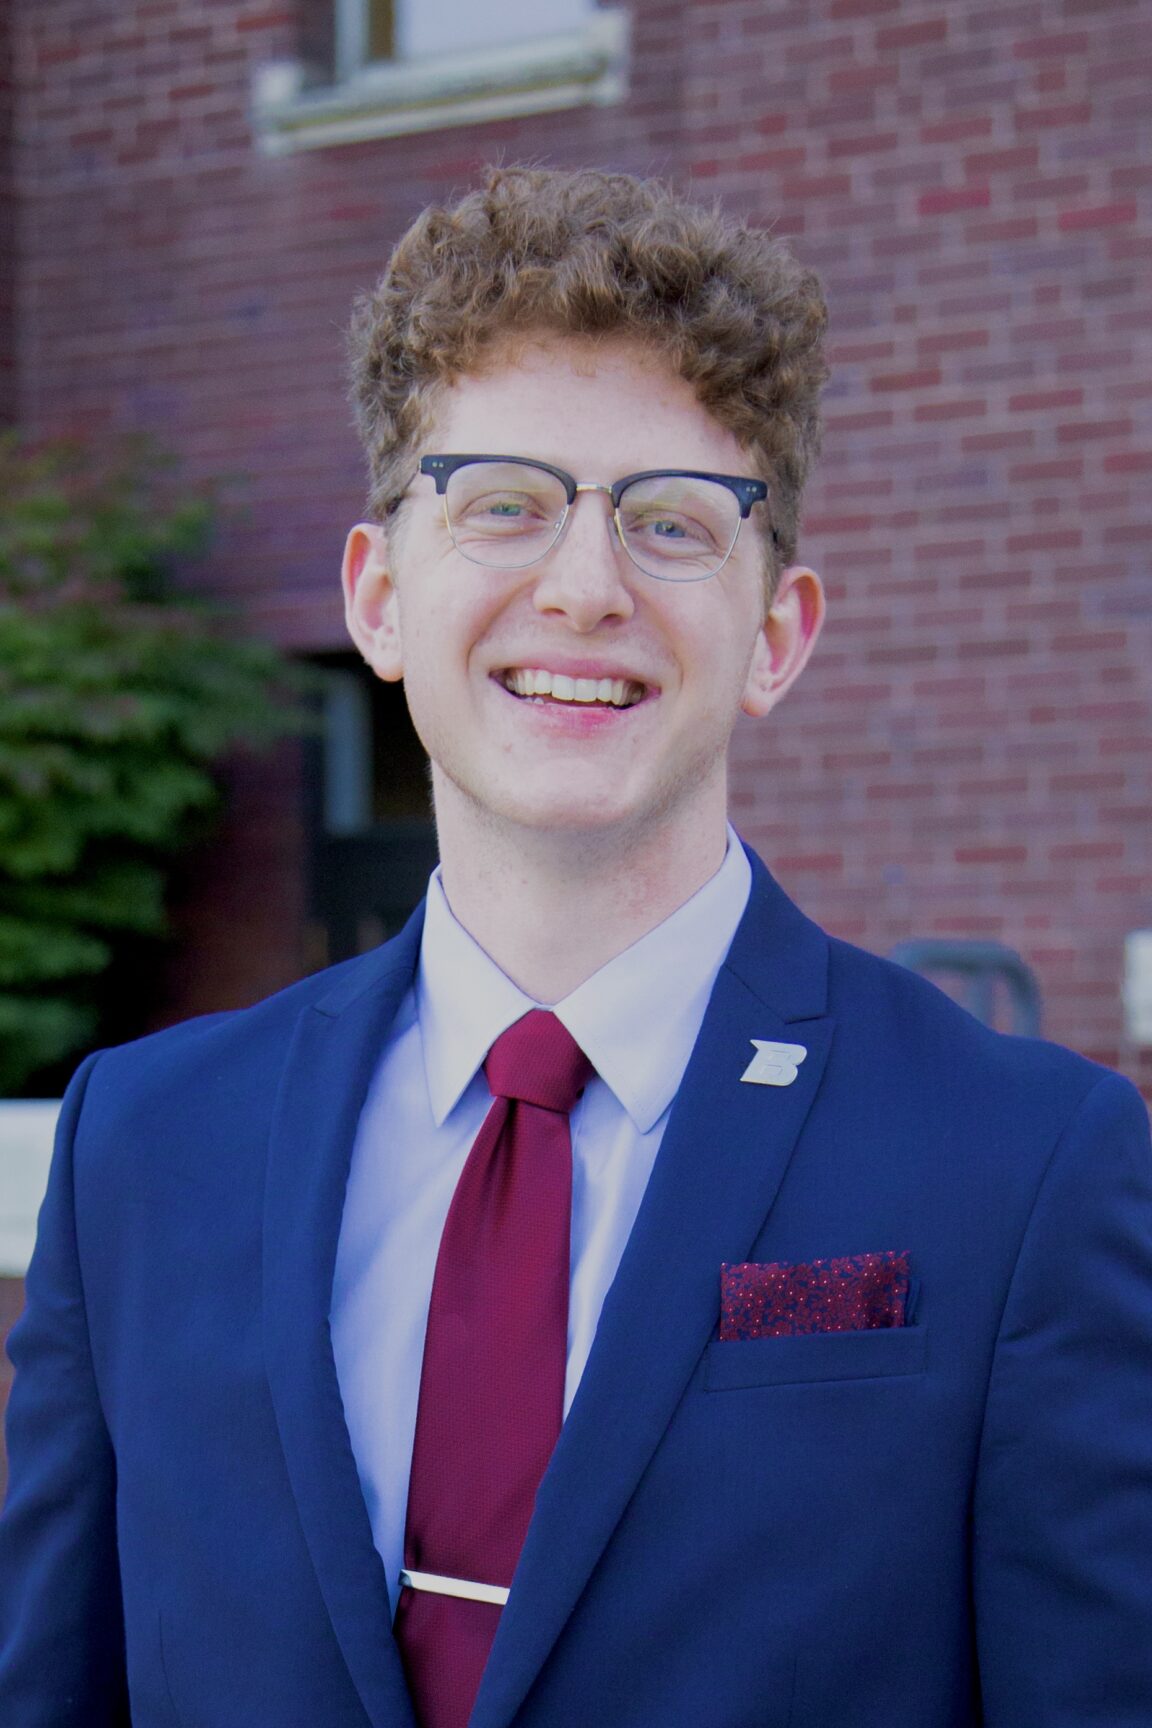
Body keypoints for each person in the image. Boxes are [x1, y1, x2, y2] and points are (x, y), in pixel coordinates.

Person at [1, 165, 1150, 1728]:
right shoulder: (144, 1145)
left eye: (674, 521)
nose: (585, 586)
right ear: (381, 594)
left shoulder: (1029, 1166)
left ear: (777, 634)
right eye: (503, 503)